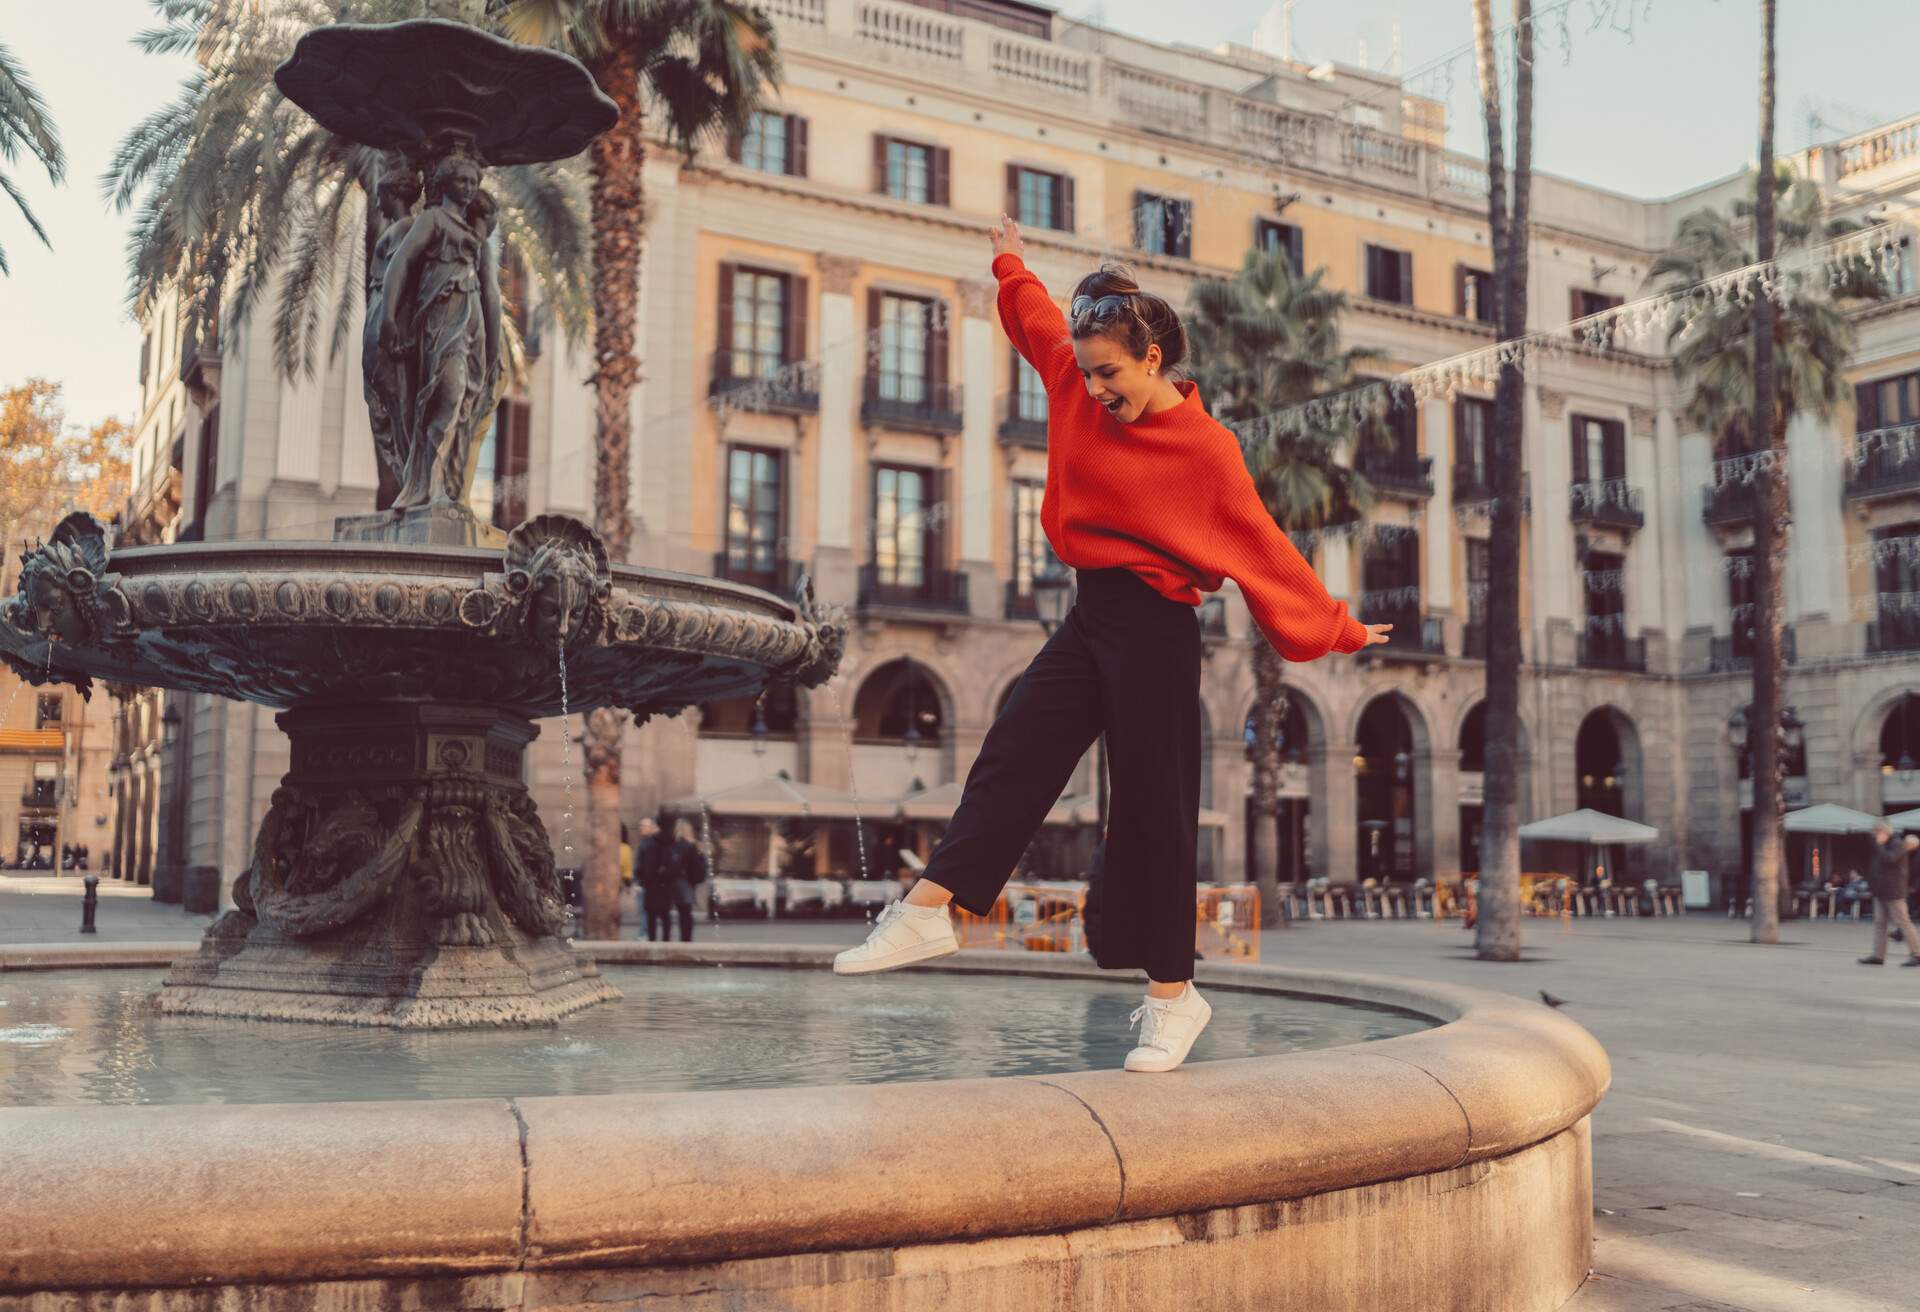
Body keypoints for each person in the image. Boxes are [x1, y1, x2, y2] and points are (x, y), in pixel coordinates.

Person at [833, 217, 1391, 1074]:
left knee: (1152, 809)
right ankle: (929, 909)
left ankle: (1174, 998)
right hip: (1090, 612)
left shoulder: (1208, 450)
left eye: (1111, 375)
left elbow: (1264, 548)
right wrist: (1009, 261)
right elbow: (1032, 319)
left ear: (1155, 361)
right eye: (1087, 372)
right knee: (1015, 747)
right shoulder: (1070, 374)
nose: (1095, 389)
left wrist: (1340, 623)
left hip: (1158, 630)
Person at [1859, 822, 1920, 967]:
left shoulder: (1898, 844)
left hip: (1894, 891)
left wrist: (1880, 845)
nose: (1874, 835)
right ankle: (1878, 955)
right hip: (1880, 891)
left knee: (1903, 922)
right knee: (1880, 923)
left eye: (1876, 832)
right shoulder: (1882, 845)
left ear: (1885, 832)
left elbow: (1889, 859)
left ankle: (1917, 954)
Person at [666, 819, 705, 943]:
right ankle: (687, 937)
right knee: (686, 911)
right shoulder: (694, 845)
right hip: (689, 882)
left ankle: (684, 938)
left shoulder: (678, 845)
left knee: (682, 910)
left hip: (679, 882)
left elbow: (674, 864)